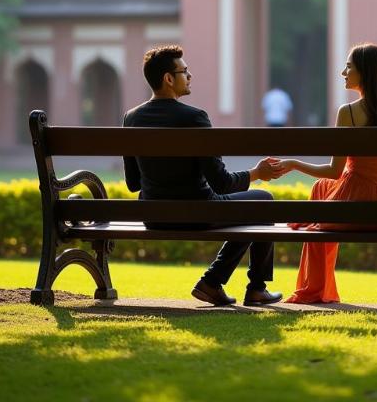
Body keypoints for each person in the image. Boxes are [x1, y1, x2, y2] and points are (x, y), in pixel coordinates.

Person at [122, 44, 285, 307]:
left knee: (252, 207)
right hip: (197, 212)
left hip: (154, 216)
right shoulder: (194, 117)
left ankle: (214, 283)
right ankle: (249, 287)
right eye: (184, 71)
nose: (190, 76)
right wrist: (257, 173)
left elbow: (133, 184)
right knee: (263, 201)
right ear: (168, 79)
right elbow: (221, 183)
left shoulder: (131, 118)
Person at [273, 43, 377, 304]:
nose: (343, 72)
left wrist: (295, 164)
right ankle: (318, 285)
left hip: (353, 208)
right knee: (322, 191)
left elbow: (334, 171)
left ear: (365, 72)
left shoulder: (349, 113)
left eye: (349, 67)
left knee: (319, 203)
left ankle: (316, 288)